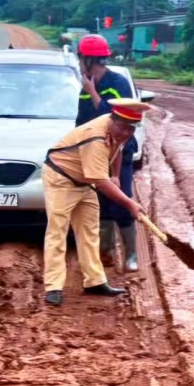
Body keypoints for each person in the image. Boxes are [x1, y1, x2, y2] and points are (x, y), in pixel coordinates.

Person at [42, 98, 150, 307]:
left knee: (90, 231)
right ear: (113, 119)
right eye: (124, 127)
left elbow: (119, 147)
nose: (127, 133)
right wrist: (130, 204)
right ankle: (53, 286)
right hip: (61, 178)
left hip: (84, 180)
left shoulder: (121, 129)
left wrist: (116, 175)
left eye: (131, 129)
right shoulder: (96, 138)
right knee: (58, 231)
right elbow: (100, 181)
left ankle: (95, 281)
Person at [74, 34, 140, 271]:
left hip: (119, 150)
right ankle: (106, 253)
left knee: (121, 203)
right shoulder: (85, 82)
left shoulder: (117, 82)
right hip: (94, 152)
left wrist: (92, 91)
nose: (79, 62)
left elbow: (118, 120)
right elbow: (82, 120)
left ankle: (132, 255)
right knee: (98, 204)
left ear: (90, 59)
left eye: (81, 57)